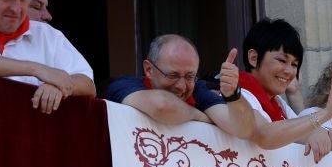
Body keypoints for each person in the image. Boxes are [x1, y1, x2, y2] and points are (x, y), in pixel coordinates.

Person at [105, 34, 256, 139]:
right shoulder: (123, 85)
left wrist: (233, 95)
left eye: (190, 76)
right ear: (149, 69)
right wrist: (200, 116)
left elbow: (243, 129)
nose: (182, 86)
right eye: (173, 75)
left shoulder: (198, 89)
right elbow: (162, 105)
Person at [237, 18, 332, 162]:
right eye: (282, 60)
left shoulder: (278, 103)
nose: (289, 71)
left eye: (294, 64)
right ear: (254, 58)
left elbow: (301, 130)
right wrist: (326, 113)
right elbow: (265, 135)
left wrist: (318, 130)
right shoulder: (236, 94)